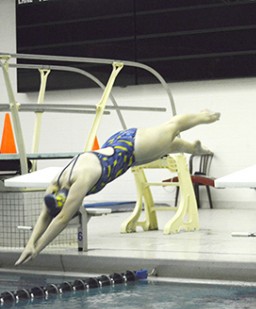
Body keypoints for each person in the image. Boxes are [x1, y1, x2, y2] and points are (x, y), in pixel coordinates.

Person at [15, 110, 220, 265]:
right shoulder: (56, 183)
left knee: (172, 127)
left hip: (132, 145)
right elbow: (46, 214)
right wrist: (30, 243)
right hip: (123, 149)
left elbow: (60, 219)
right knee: (170, 146)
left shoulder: (81, 181)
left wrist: (38, 248)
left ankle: (204, 115)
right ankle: (195, 148)